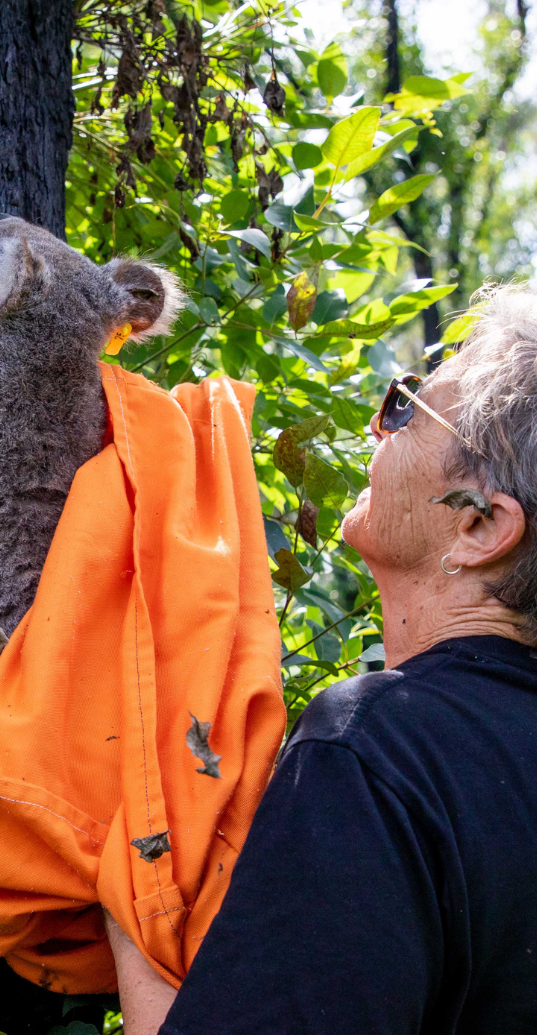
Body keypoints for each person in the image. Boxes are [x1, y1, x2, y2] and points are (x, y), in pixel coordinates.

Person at [105, 286, 537, 1035]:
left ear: (478, 524)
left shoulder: (381, 751)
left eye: (405, 406)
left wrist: (128, 867)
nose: (376, 423)